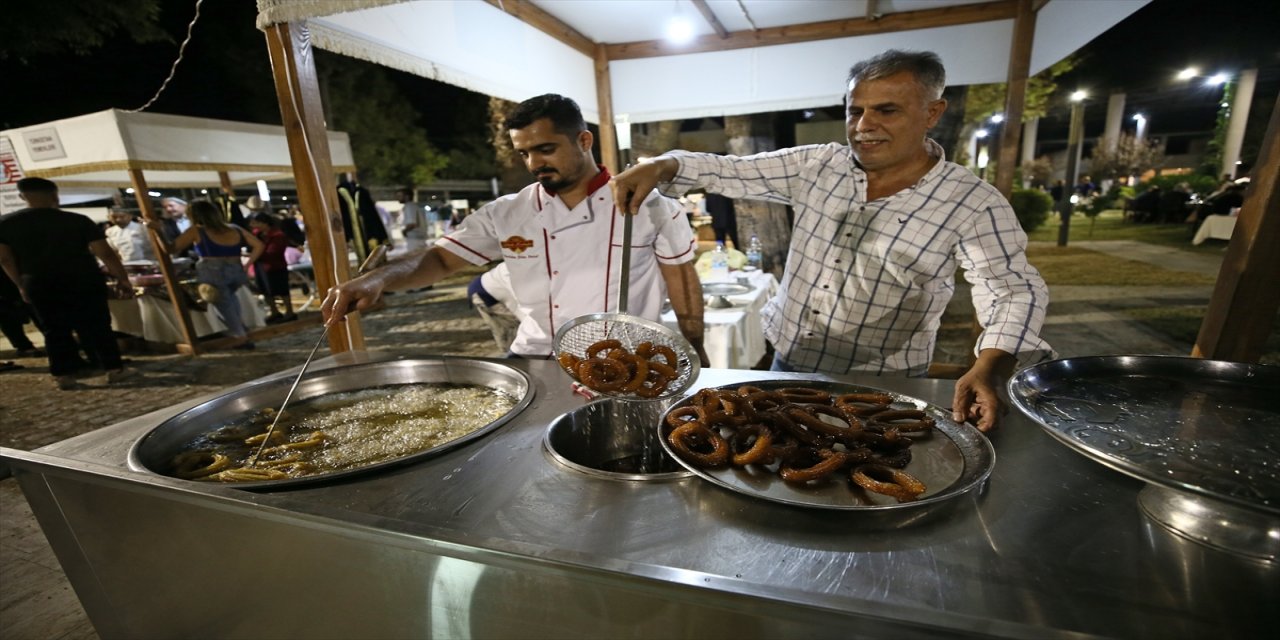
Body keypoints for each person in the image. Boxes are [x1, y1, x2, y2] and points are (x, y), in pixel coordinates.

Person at [612, 50, 1053, 432]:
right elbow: (732, 170)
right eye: (854, 110)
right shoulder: (820, 165)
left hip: (883, 379)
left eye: (887, 110)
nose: (864, 125)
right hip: (789, 361)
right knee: (783, 462)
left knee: (866, 473)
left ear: (932, 113)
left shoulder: (972, 201)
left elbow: (1011, 289)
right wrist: (664, 163)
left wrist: (990, 365)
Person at [322, 93, 708, 362]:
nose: (533, 163)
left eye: (545, 149)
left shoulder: (650, 206)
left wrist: (695, 345)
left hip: (622, 361)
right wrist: (378, 278)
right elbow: (439, 259)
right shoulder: (507, 213)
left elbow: (682, 279)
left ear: (584, 140)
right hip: (535, 357)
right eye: (524, 152)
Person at [0, 177, 136, 389]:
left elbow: (5, 259)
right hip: (82, 277)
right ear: (55, 195)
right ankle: (113, 368)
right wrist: (122, 278)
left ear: (22, 197)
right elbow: (106, 253)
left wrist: (20, 284)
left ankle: (63, 374)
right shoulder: (77, 220)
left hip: (38, 280)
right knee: (98, 324)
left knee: (54, 328)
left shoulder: (6, 224)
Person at [162, 200, 264, 349]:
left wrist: (158, 231)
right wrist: (247, 264)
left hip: (212, 271)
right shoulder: (234, 229)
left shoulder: (197, 230)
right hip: (236, 269)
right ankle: (241, 330)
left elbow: (171, 249)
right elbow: (259, 245)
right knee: (230, 300)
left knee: (222, 304)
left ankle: (240, 335)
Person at [248, 212, 296, 324]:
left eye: (255, 222)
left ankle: (289, 312)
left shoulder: (277, 235)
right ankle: (274, 311)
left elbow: (274, 252)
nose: (252, 224)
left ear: (264, 223)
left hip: (276, 266)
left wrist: (257, 253)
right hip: (261, 266)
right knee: (265, 290)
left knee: (282, 290)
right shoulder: (257, 234)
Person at [337, 176, 390, 264]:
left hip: (370, 232)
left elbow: (373, 215)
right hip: (353, 233)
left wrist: (384, 237)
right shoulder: (338, 194)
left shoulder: (362, 192)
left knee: (375, 257)